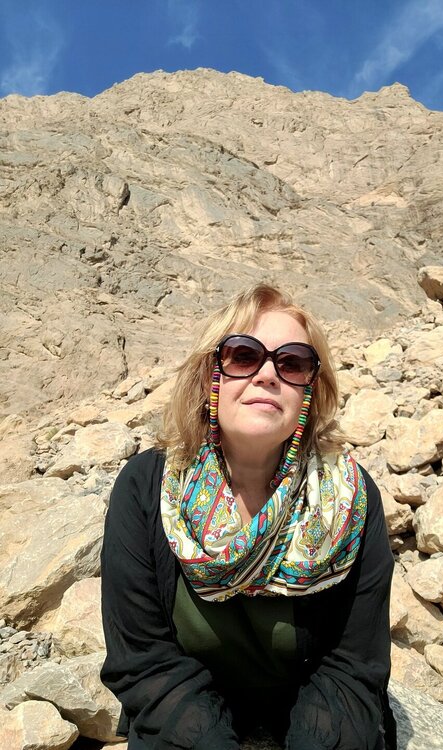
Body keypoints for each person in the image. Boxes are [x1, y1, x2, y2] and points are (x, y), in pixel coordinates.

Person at [101, 284, 396, 750]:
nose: (267, 375)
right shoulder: (147, 487)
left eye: (293, 362)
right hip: (181, 726)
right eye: (243, 355)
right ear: (209, 377)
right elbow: (143, 660)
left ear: (309, 391)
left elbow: (354, 664)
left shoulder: (350, 499)